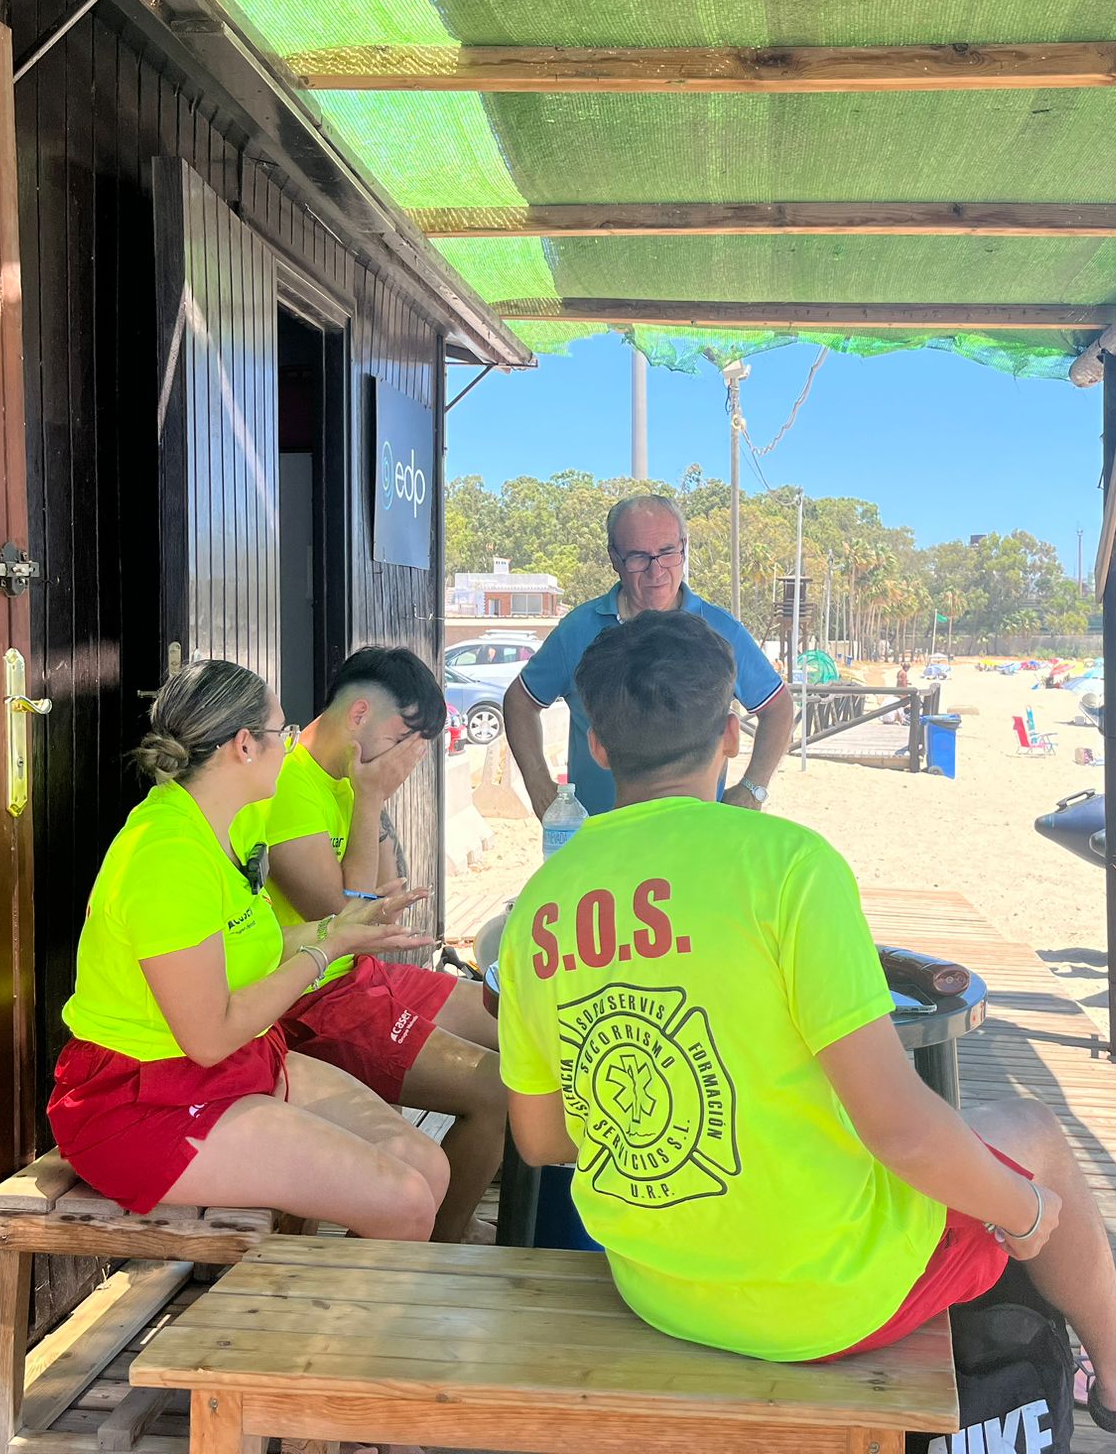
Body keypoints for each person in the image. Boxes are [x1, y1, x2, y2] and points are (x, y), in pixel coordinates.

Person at [496, 611, 1116, 1430]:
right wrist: (1029, 1211)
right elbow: (901, 1133)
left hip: (656, 1284)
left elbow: (543, 1140)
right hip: (826, 1303)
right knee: (1036, 1138)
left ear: (600, 749)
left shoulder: (540, 908)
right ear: (731, 734)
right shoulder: (788, 867)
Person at [48, 659, 447, 1236]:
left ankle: (338, 1317)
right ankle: (333, 1325)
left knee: (425, 1164)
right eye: (280, 733)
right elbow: (208, 1038)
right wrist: (323, 951)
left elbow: (245, 945)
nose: (291, 746)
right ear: (243, 745)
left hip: (237, 1066)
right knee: (404, 1200)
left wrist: (338, 930)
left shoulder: (223, 822)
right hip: (140, 1102)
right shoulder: (168, 856)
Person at [234, 645, 503, 1243]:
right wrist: (373, 797)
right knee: (495, 1089)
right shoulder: (290, 788)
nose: (412, 757)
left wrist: (369, 801)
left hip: (356, 978)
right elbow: (341, 919)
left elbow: (379, 894)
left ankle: (451, 1220)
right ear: (359, 715)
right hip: (310, 997)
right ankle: (442, 1247)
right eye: (406, 737)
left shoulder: (342, 780)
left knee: (514, 1022)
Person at [503, 494, 793, 817]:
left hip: (697, 842)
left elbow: (778, 707)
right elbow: (520, 701)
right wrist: (539, 787)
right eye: (639, 557)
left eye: (668, 553)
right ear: (614, 558)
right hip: (602, 843)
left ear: (684, 547)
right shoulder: (576, 630)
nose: (657, 572)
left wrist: (754, 788)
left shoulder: (722, 630)